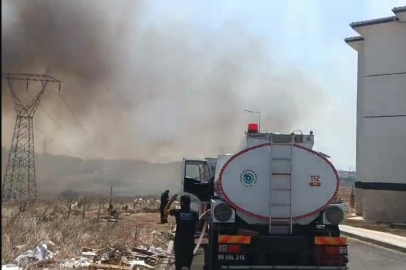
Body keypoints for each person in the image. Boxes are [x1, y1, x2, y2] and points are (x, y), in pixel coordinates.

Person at [164, 194, 209, 270]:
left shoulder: (178, 212)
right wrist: (204, 218)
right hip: (189, 243)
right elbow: (197, 227)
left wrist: (171, 200)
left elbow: (165, 212)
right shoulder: (194, 214)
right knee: (187, 266)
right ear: (189, 203)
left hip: (179, 243)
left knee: (179, 265)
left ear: (181, 202)